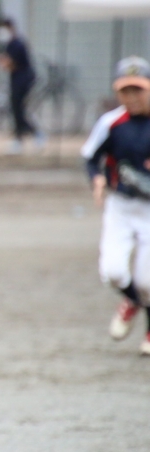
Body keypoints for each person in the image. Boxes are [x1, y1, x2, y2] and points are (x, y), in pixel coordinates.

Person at [81, 56, 150, 356]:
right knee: (113, 272)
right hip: (120, 205)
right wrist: (96, 179)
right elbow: (90, 157)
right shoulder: (112, 123)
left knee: (147, 280)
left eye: (138, 89)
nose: (131, 97)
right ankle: (132, 300)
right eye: (125, 91)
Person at [0, 18, 45, 154]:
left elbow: (9, 64)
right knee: (17, 110)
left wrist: (1, 62)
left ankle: (34, 135)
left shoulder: (17, 44)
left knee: (18, 110)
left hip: (23, 80)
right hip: (17, 80)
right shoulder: (10, 44)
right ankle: (21, 138)